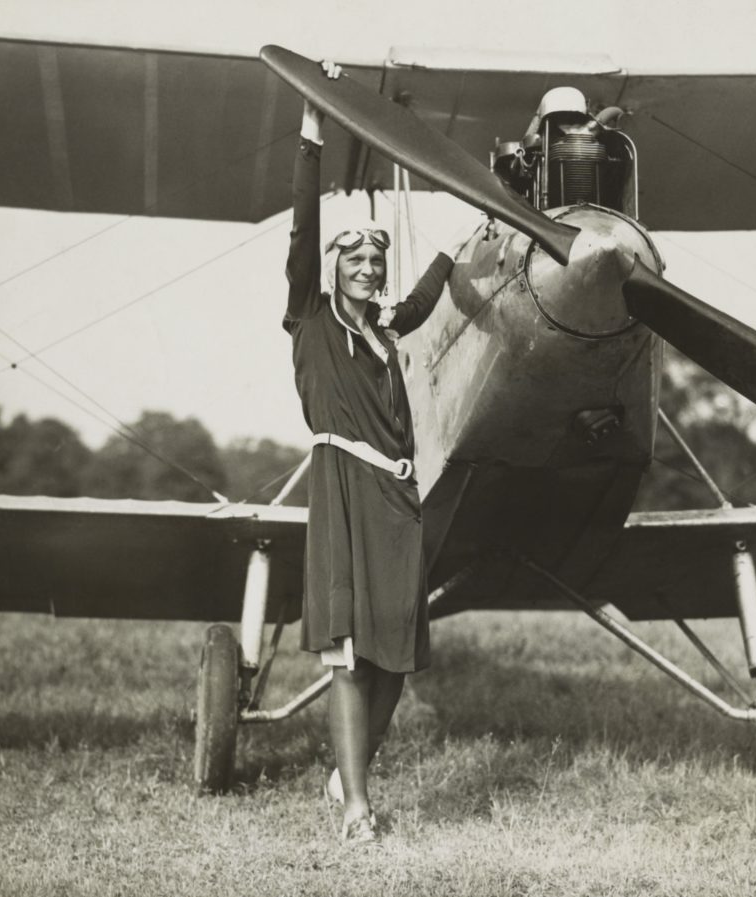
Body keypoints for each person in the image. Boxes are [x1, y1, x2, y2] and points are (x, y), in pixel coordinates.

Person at [284, 60, 469, 844]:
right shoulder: (312, 321)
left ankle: (347, 768)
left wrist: (473, 236)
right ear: (334, 268)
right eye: (353, 257)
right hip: (345, 487)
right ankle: (358, 806)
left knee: (396, 655)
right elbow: (302, 230)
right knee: (351, 654)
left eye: (375, 260)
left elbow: (432, 290)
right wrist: (313, 130)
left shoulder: (388, 331)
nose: (366, 266)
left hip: (400, 498)